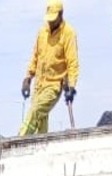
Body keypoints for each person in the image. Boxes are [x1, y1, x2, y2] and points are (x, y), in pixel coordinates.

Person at [19, 0, 80, 136]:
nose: (51, 22)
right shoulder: (42, 32)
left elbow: (72, 63)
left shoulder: (68, 33)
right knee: (41, 120)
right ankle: (41, 149)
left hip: (54, 85)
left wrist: (71, 87)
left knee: (35, 110)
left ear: (61, 15)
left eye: (54, 19)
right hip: (39, 84)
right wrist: (28, 78)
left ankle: (19, 139)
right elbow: (35, 56)